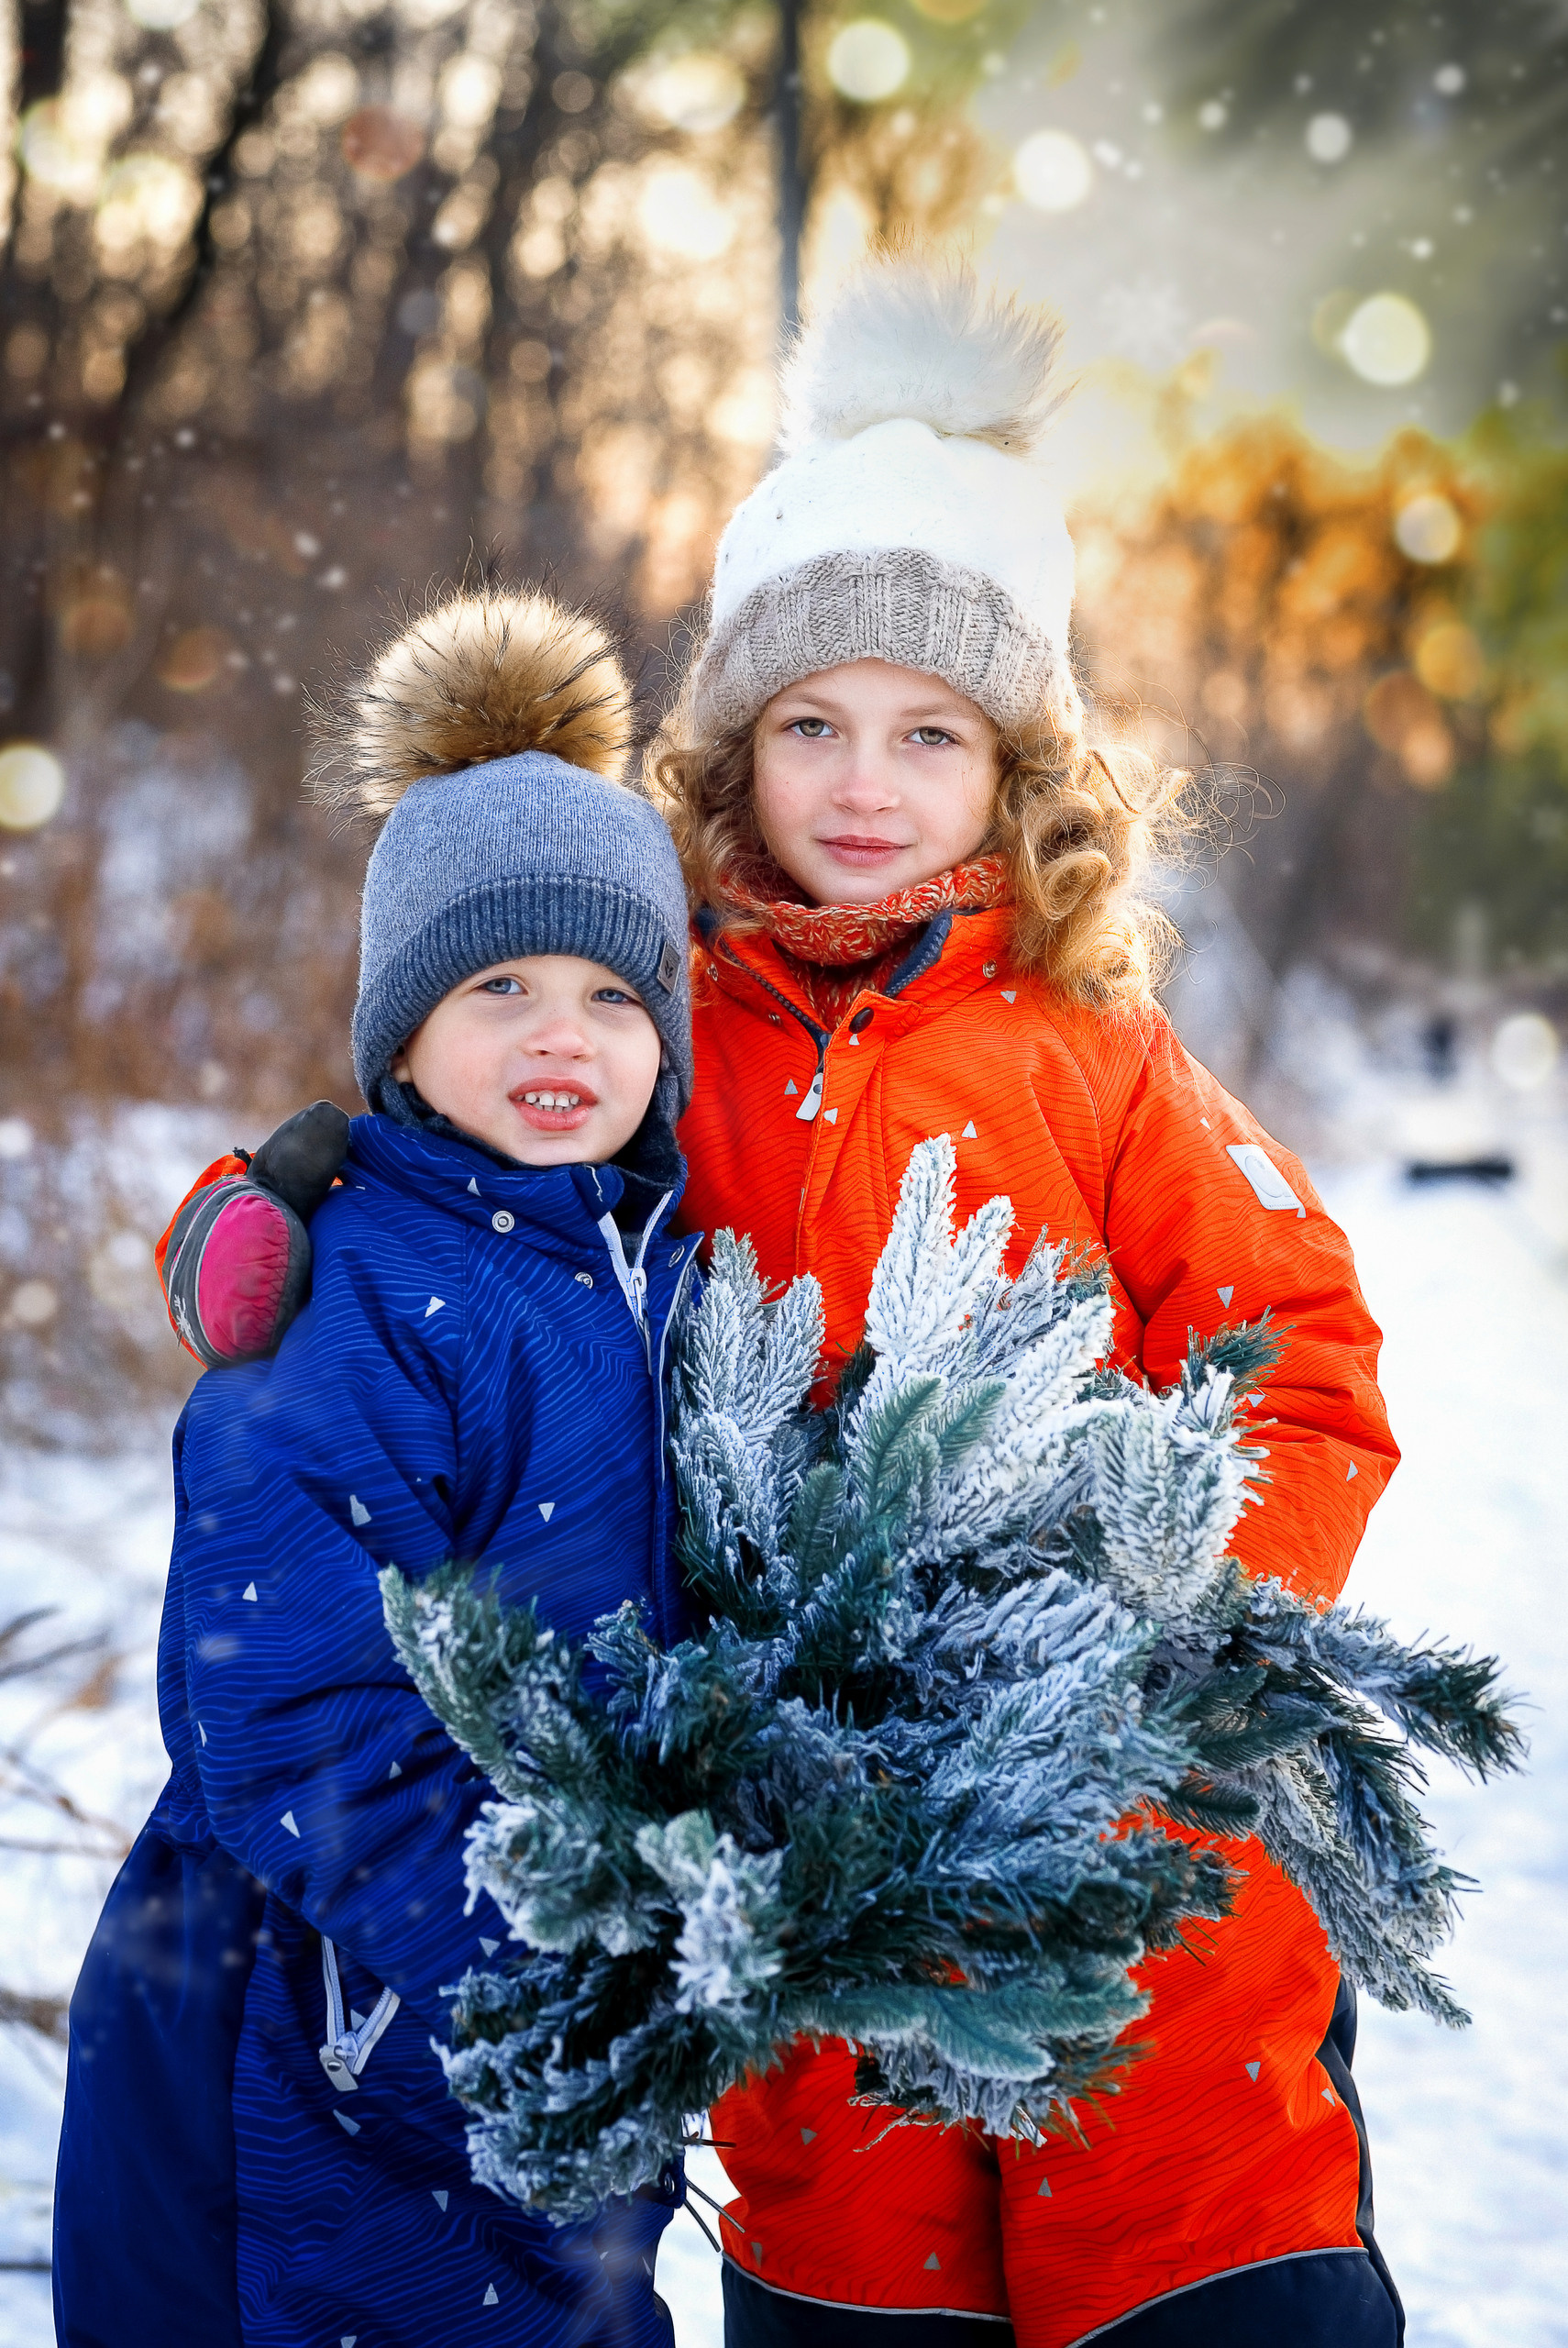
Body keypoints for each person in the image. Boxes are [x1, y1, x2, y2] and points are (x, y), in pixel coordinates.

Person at [148, 256, 1405, 2348]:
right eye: (809, 723)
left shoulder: (1100, 1050)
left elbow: (1306, 1362)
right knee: (858, 2272)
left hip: (1125, 1836)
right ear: (728, 749)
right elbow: (447, 1149)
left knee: (1187, 2244)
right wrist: (250, 1201)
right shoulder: (657, 1018)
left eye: (932, 732)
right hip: (795, 1820)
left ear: (1020, 773)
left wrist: (1153, 1633)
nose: (865, 778)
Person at [55, 590, 700, 2348]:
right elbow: (288, 1696)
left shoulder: (652, 1270)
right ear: (400, 1036)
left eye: (608, 995)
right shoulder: (372, 1297)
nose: (560, 1036)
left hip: (535, 2005)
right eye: (498, 988)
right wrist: (521, 1963)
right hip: (328, 1996)